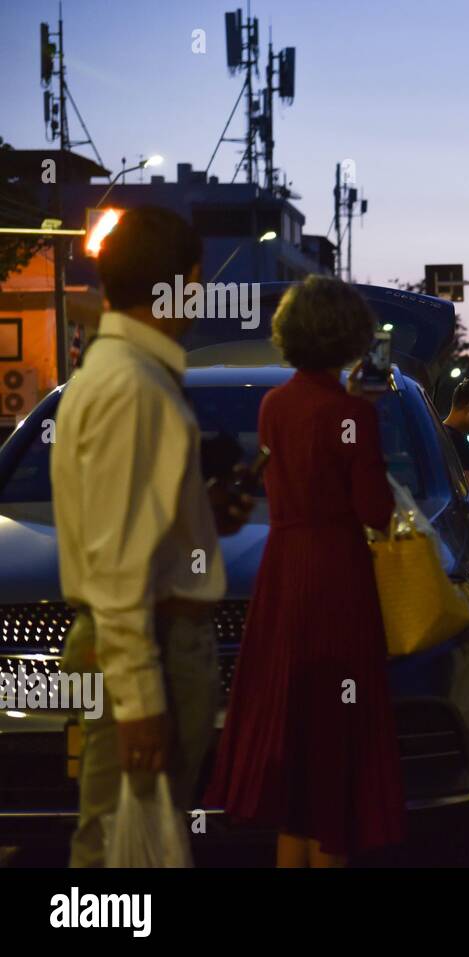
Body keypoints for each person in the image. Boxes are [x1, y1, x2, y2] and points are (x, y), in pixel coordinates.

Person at [52, 206, 253, 867]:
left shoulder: (117, 376)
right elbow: (116, 564)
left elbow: (133, 523)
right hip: (152, 648)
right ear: (187, 281)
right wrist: (139, 700)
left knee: (132, 842)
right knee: (121, 844)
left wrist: (201, 512)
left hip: (147, 645)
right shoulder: (133, 387)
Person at [205, 275, 405, 867]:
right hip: (336, 576)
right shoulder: (352, 414)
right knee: (335, 742)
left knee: (294, 735)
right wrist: (364, 420)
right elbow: (375, 511)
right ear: (349, 337)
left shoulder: (274, 405)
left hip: (284, 573)